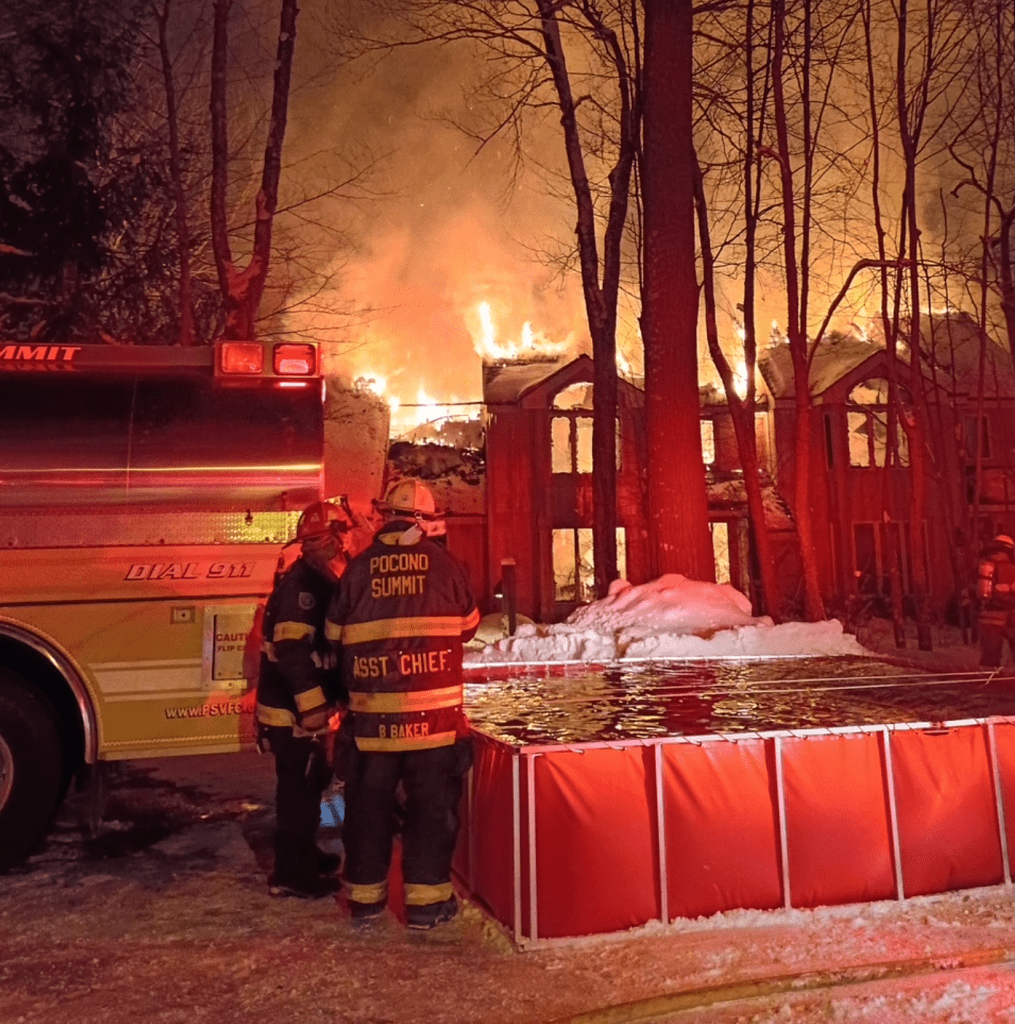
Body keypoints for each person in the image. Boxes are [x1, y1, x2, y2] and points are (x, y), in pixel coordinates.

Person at [325, 479, 479, 929]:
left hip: (373, 723)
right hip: (434, 722)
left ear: (383, 515)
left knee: (366, 810)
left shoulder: (357, 569)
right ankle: (426, 905)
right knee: (431, 811)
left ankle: (366, 900)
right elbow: (467, 626)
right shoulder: (446, 565)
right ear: (422, 521)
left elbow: (335, 636)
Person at [256, 500, 351, 898]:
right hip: (291, 713)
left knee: (312, 789)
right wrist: (313, 708)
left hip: (298, 712)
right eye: (339, 534)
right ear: (324, 539)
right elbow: (292, 650)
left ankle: (306, 855)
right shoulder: (303, 587)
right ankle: (291, 874)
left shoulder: (317, 578)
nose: (344, 542)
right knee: (296, 794)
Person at [976, 532, 1015, 669]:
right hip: (1010, 616)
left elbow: (978, 593)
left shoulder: (983, 566)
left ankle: (988, 682)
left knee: (990, 657)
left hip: (988, 618)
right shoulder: (1012, 567)